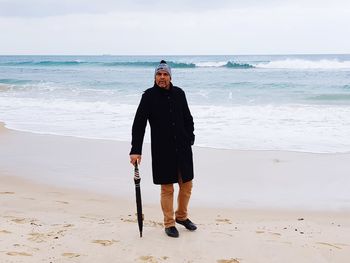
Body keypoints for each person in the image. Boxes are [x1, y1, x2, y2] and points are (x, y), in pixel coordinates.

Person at [129, 60, 197, 238]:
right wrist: (135, 150)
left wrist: (190, 137)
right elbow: (139, 124)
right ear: (154, 77)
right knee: (167, 188)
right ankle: (169, 223)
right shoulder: (148, 96)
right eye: (159, 74)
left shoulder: (179, 94)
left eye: (165, 74)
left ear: (170, 77)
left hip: (182, 147)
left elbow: (188, 118)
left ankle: (181, 216)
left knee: (187, 185)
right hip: (162, 149)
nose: (162, 77)